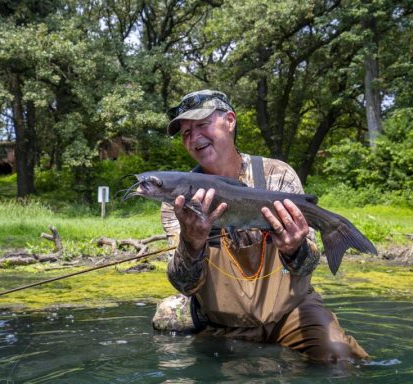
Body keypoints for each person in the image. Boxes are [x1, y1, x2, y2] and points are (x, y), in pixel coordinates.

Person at [152, 89, 369, 363]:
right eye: (185, 133)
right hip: (220, 323)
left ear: (230, 120)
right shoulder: (178, 201)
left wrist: (295, 249)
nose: (194, 138)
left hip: (289, 313)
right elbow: (183, 283)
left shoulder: (277, 176)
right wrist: (192, 243)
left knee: (341, 358)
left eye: (202, 125)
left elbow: (308, 266)